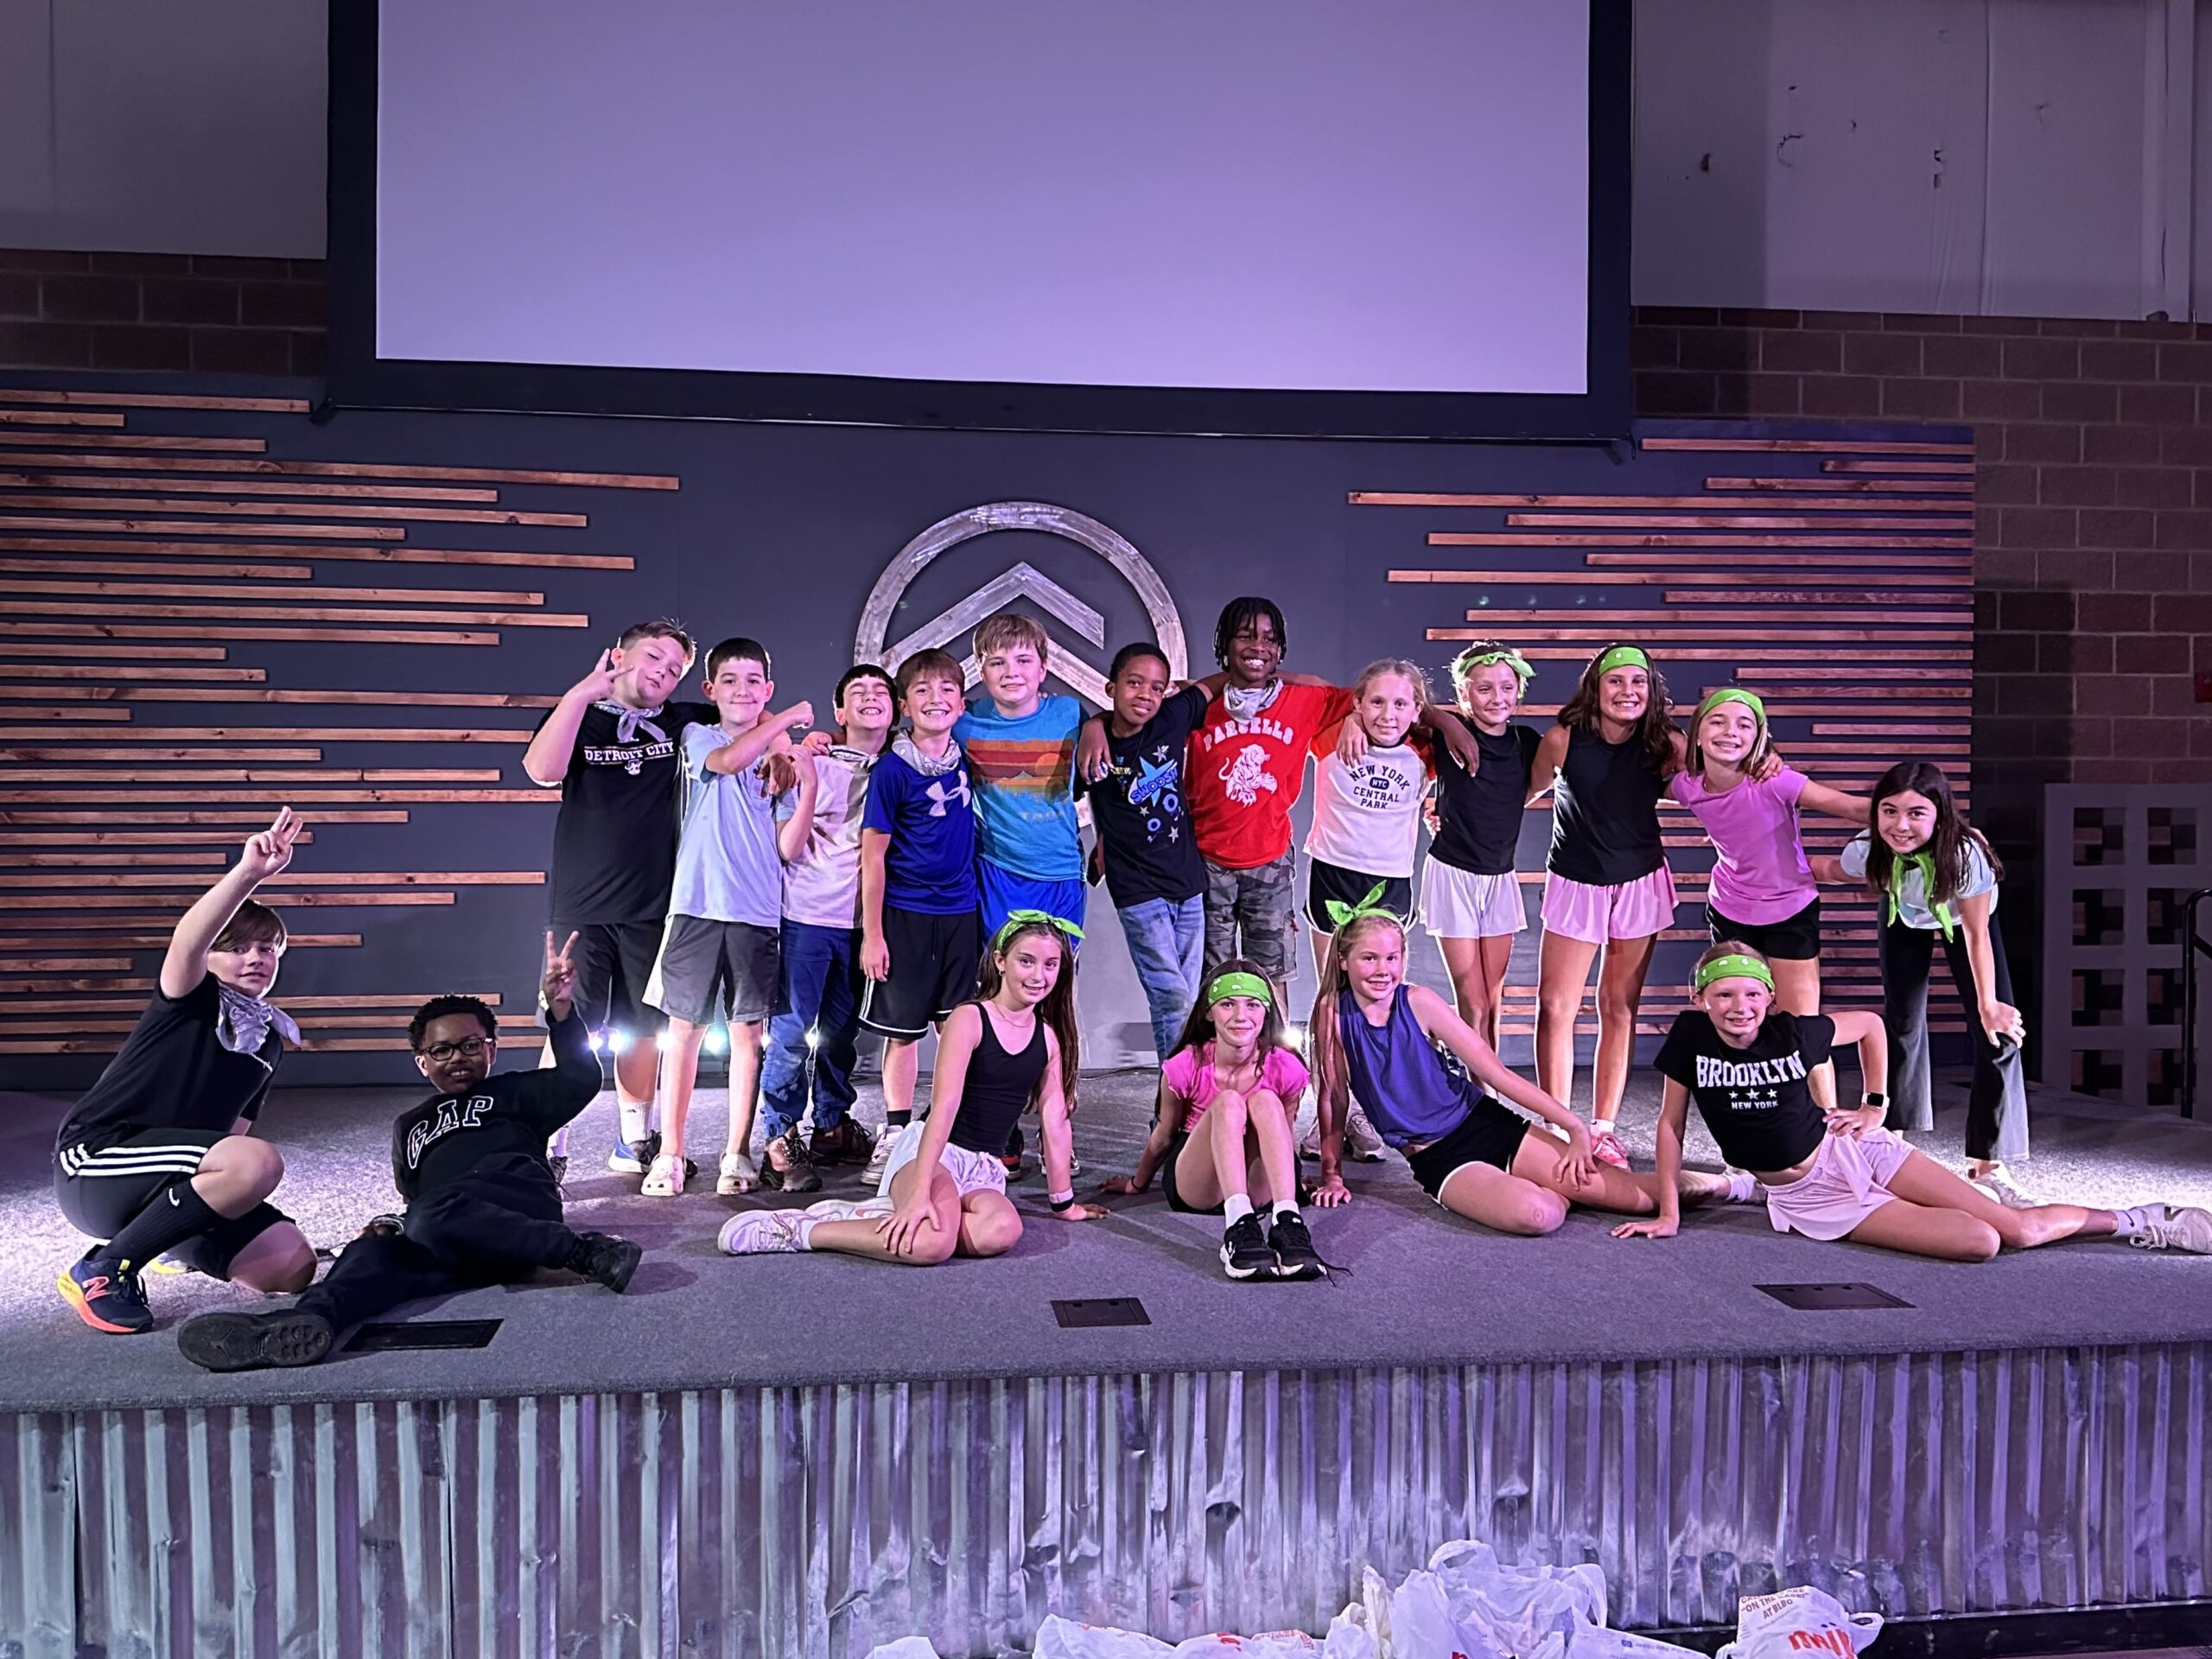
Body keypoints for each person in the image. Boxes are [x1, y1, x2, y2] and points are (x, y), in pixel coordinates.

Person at [172, 932, 646, 1371]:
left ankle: (584, 1252)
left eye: (470, 1045)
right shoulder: (409, 1125)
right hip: (450, 1237)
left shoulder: (517, 1093)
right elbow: (413, 1194)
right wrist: (392, 1227)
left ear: (492, 1051)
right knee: (370, 1252)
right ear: (423, 1063)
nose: (457, 1057)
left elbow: (581, 1078)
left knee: (433, 1213)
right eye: (441, 1051)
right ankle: (307, 1322)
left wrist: (561, 1012)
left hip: (515, 1207)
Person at [1617, 944, 2211, 1259]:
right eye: (1723, 995)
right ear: (1700, 1000)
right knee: (1979, 1243)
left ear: (1770, 999)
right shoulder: (1690, 1038)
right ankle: (1755, 1187)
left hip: (1855, 1150)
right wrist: (1668, 1213)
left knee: (2017, 1233)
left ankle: (2139, 1219)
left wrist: (1875, 1104)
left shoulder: (1793, 1031)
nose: (1738, 1006)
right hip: (1813, 1194)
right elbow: (1669, 1127)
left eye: (1751, 993)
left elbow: (1873, 1026)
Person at [1306, 910, 1745, 1233]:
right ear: (1343, 961)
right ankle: (1551, 1188)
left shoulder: (1418, 1001)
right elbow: (1333, 1098)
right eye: (1369, 959)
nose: (1382, 970)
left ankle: (1735, 1187)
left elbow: (1495, 1073)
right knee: (1538, 1216)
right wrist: (1331, 1174)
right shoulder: (1332, 1015)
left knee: (1639, 1197)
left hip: (1486, 1124)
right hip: (1438, 1156)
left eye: (1391, 958)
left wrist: (1574, 1127)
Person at [53, 809, 317, 1334]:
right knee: (256, 1163)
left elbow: (229, 1134)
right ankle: (103, 1268)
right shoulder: (190, 999)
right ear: (212, 958)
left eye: (268, 949)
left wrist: (225, 1203)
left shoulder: (267, 1036)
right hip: (98, 1162)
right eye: (237, 948)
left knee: (290, 1266)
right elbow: (188, 941)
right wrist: (250, 874)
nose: (256, 958)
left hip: (167, 1179)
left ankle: (163, 1240)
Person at [721, 914, 1103, 1261]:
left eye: (1050, 965)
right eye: (1027, 961)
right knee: (931, 1244)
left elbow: (1055, 1123)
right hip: (933, 1155)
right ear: (1000, 962)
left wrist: (1063, 1203)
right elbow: (946, 1106)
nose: (1039, 975)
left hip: (983, 1170)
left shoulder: (1048, 1039)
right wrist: (920, 1190)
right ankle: (801, 1230)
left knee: (1000, 1231)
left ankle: (869, 1216)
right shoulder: (970, 1018)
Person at [522, 620, 717, 1180]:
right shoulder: (577, 713)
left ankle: (634, 1137)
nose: (661, 672)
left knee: (643, 1028)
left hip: (653, 906)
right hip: (582, 907)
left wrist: (784, 740)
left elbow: (740, 721)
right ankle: (546, 1142)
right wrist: (583, 693)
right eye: (653, 657)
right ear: (619, 656)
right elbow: (542, 771)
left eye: (673, 668)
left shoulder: (684, 721)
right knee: (570, 1027)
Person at [1809, 761, 2033, 1203]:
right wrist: (1748, 856)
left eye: (1916, 813)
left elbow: (1975, 934)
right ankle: (1893, 1143)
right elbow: (1828, 869)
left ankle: (1988, 1166)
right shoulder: (1871, 848)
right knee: (1903, 1024)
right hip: (1906, 916)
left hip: (1967, 922)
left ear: (1939, 814)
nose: (1901, 825)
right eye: (1889, 811)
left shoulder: (1965, 854)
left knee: (1997, 1032)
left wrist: (1988, 1002)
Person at [641, 638, 817, 1197]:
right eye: (730, 680)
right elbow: (726, 761)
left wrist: (805, 780)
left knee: (748, 1037)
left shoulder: (779, 759)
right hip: (695, 907)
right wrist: (784, 721)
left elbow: (788, 846)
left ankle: (736, 1154)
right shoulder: (701, 738)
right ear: (710, 690)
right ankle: (669, 1153)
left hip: (757, 913)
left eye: (753, 681)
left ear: (765, 688)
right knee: (683, 1034)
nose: (742, 690)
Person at [1669, 686, 1868, 1109]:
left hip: (1789, 909)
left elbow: (1850, 808)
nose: (1730, 732)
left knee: (1801, 1027)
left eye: (1744, 725)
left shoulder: (1775, 780)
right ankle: (1748, 1130)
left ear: (1759, 738)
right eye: (1718, 722)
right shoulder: (1686, 786)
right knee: (1738, 1024)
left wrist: (1934, 823)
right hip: (1729, 910)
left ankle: (1828, 1125)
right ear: (1698, 735)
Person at [1527, 643, 1684, 1169]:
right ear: (1596, 687)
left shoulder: (1666, 745)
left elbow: (1718, 788)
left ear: (1650, 690)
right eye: (1616, 682)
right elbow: (1516, 798)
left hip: (1639, 881)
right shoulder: (1562, 740)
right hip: (1577, 881)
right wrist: (1448, 812)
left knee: (1618, 1007)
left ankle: (1604, 1130)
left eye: (1638, 683)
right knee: (1556, 1009)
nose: (1627, 692)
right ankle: (1554, 1125)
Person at [756, 664, 898, 1190]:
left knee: (842, 1034)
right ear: (839, 712)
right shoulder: (809, 759)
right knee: (792, 1033)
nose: (870, 697)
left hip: (864, 922)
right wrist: (810, 752)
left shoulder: (902, 765)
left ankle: (832, 1124)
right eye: (856, 692)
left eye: (881, 691)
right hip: (808, 916)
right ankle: (779, 1135)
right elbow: (785, 840)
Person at [1097, 959, 1326, 1280]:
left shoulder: (1285, 1066)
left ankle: (1287, 1221)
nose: (1240, 1016)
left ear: (1266, 1012)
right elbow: (1164, 1135)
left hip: (1257, 1187)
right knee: (1229, 1102)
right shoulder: (1185, 1064)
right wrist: (1138, 1184)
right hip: (1199, 1184)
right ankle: (1237, 1225)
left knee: (1264, 1099)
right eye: (1228, 1004)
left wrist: (1291, 1184)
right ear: (1208, 1012)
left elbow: (1283, 1134)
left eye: (1252, 1005)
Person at [1182, 597, 1353, 997]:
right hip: (1206, 862)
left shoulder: (1303, 701)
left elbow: (1376, 697)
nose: (1258, 646)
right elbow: (1132, 706)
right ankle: (1217, 1057)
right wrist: (1100, 726)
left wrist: (1446, 724)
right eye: (1245, 637)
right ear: (1224, 644)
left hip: (1270, 861)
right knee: (1213, 975)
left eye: (1269, 640)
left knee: (1271, 973)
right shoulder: (1197, 704)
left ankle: (1276, 1055)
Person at [857, 649, 983, 1184]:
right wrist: (873, 933)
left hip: (962, 913)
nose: (937, 700)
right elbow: (873, 854)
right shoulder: (891, 770)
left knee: (959, 1029)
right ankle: (896, 1132)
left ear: (961, 701)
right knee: (903, 1032)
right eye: (923, 691)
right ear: (904, 704)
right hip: (906, 915)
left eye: (948, 689)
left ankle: (954, 1130)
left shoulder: (969, 757)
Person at [1077, 644, 1218, 1063]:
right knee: (1171, 995)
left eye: (1157, 687)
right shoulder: (1092, 746)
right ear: (1111, 687)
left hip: (1188, 883)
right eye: (1134, 683)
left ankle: (1178, 1101)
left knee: (1189, 998)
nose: (1145, 695)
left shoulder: (1171, 719)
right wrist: (1095, 725)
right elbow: (1067, 792)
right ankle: (1179, 1106)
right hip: (1137, 889)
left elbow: (1215, 685)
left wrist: (1184, 688)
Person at [1421, 642, 1541, 1051]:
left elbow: (1525, 790)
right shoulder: (1448, 733)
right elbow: (1408, 702)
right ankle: (1479, 1090)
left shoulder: (1526, 742)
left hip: (1499, 877)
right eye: (1484, 688)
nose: (1497, 698)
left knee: (1492, 997)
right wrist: (1444, 719)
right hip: (1453, 873)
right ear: (1463, 693)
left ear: (1519, 691)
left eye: (1506, 687)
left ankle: (1485, 1080)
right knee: (1471, 1000)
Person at [957, 613, 1088, 944]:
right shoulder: (964, 722)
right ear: (981, 672)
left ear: (1043, 668)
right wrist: (829, 739)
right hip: (998, 871)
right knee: (1001, 978)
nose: (1011, 672)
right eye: (997, 662)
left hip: (1061, 871)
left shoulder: (1071, 715)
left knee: (1054, 981)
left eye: (1023, 660)